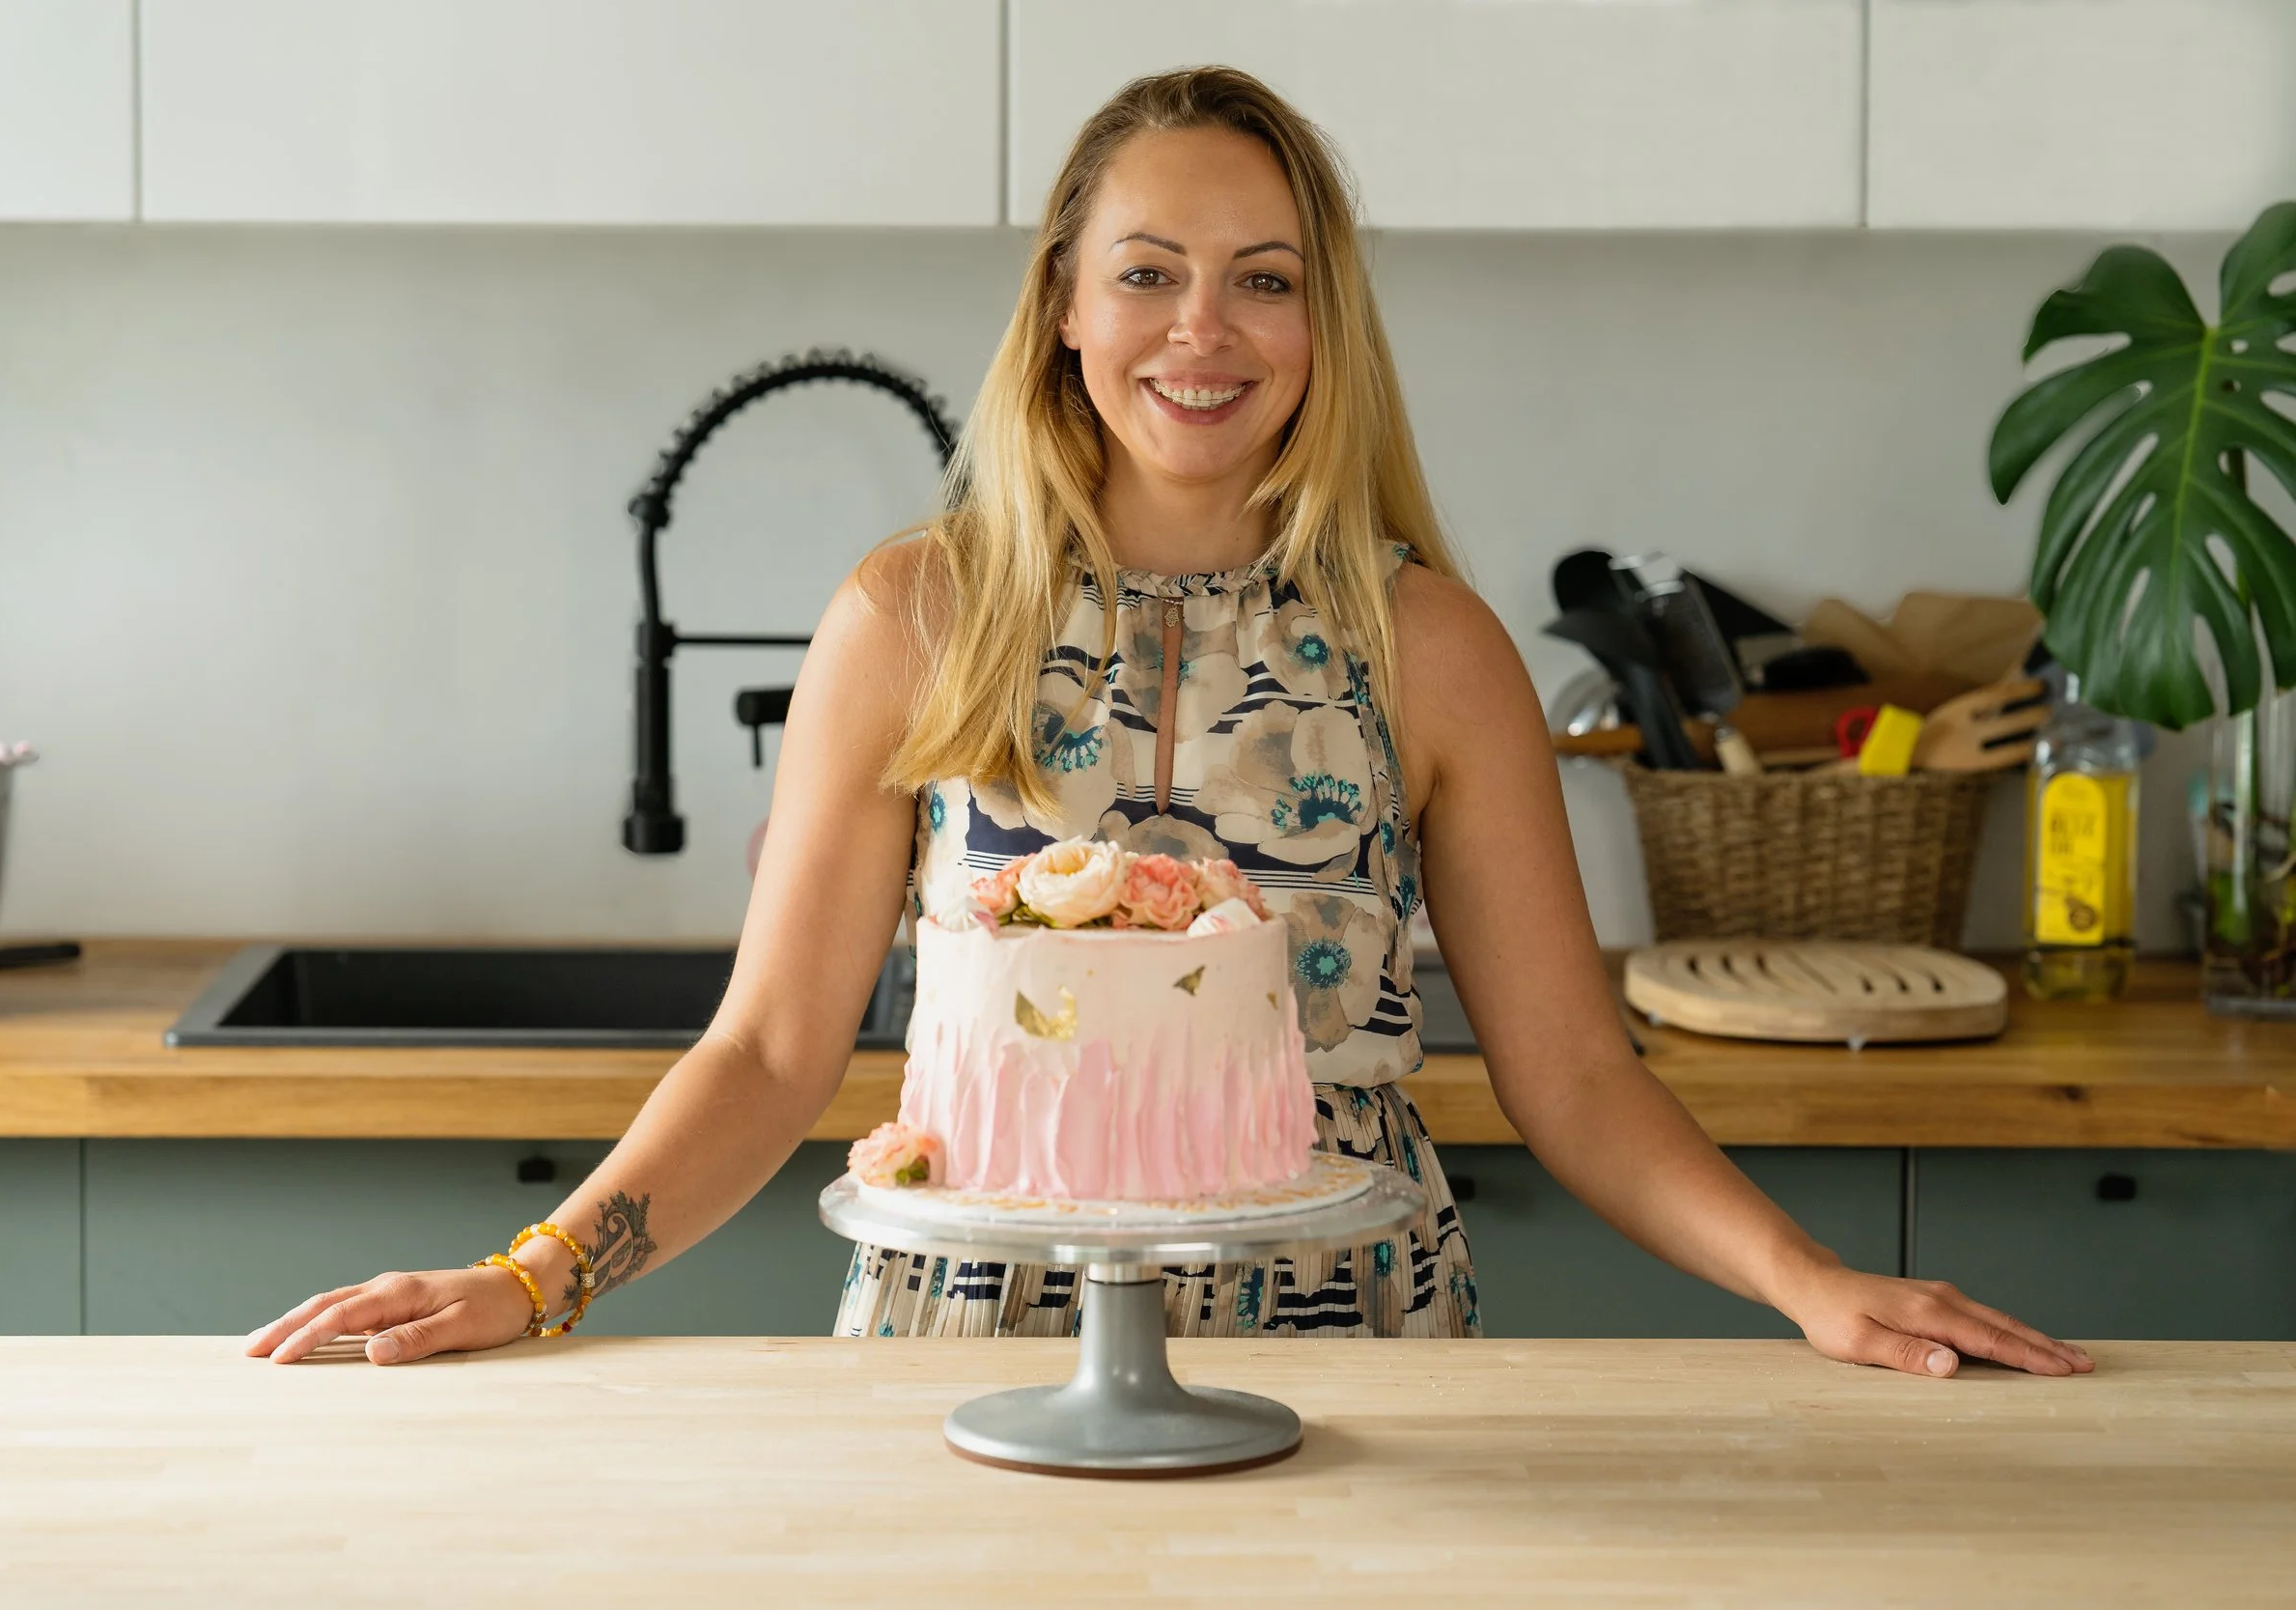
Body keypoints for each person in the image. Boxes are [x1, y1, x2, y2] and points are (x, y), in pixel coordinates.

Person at [252, 67, 2090, 1377]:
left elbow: (1581, 1082)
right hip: (961, 1367)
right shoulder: (914, 617)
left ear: (1321, 320)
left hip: (1356, 1365)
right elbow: (769, 1053)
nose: (1200, 329)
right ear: (1063, 302)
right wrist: (540, 1272)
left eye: (1263, 277)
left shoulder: (1429, 643)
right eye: (1146, 268)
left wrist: (1812, 1284)